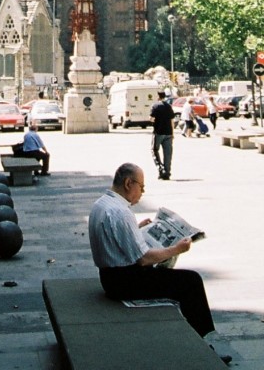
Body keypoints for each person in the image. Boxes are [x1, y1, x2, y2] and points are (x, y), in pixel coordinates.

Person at [88, 162, 230, 364]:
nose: (142, 192)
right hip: (125, 281)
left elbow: (113, 237)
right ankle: (203, 343)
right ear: (129, 183)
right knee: (191, 281)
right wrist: (176, 249)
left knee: (177, 277)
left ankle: (198, 338)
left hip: (109, 276)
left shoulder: (102, 204)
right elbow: (143, 258)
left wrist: (137, 228)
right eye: (141, 186)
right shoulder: (121, 212)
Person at [150, 90, 175, 180]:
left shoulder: (155, 106)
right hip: (168, 132)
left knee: (154, 150)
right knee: (168, 154)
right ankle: (167, 173)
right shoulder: (169, 106)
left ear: (158, 96)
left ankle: (161, 169)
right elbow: (172, 120)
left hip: (158, 132)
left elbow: (152, 118)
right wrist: (172, 133)